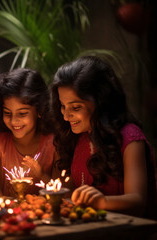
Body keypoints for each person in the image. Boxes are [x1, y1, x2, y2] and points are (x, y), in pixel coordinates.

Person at [50, 56, 157, 218]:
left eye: (75, 107)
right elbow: (71, 192)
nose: (66, 116)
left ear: (101, 102)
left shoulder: (130, 138)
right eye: (63, 106)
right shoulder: (78, 137)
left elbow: (138, 202)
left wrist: (102, 202)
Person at [0, 68, 60, 196]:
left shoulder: (54, 143)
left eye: (22, 113)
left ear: (39, 110)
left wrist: (41, 174)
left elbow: (61, 193)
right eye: (7, 113)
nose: (14, 121)